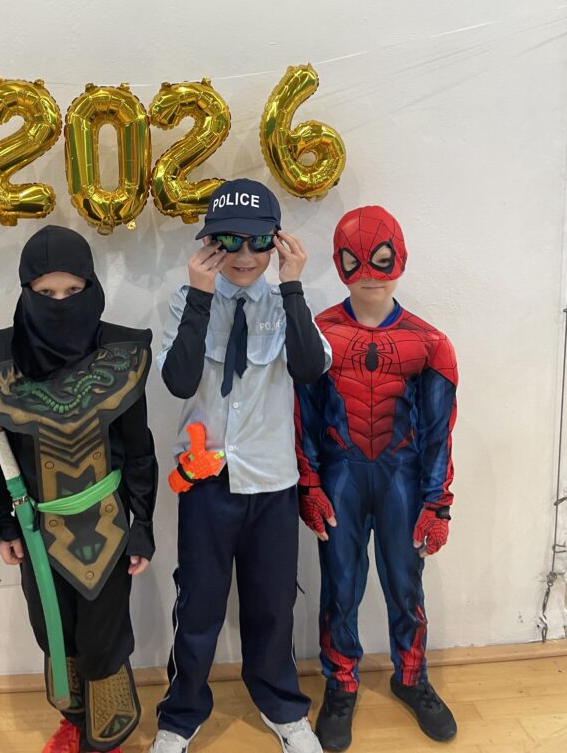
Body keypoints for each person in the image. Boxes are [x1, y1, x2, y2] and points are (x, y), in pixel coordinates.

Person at [148, 179, 332, 753]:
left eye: (257, 242)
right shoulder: (185, 302)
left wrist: (293, 285)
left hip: (272, 483)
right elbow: (179, 381)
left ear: (276, 243)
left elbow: (309, 368)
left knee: (273, 603)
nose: (245, 256)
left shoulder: (285, 304)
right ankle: (180, 717)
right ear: (210, 243)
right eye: (229, 241)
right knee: (197, 603)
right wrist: (201, 296)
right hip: (206, 483)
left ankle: (282, 708)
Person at [0, 225, 158, 753]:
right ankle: (75, 722)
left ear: (91, 288)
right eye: (46, 292)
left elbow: (139, 450)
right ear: (26, 292)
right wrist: (5, 524)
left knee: (104, 636)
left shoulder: (122, 356)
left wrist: (143, 526)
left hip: (107, 526)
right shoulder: (1, 360)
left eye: (72, 291)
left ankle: (106, 738)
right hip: (37, 528)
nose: (60, 303)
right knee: (53, 631)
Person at [295, 206, 458, 752]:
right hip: (340, 476)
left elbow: (439, 430)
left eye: (382, 259)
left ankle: (411, 676)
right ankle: (341, 683)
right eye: (354, 260)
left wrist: (437, 502)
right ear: (339, 263)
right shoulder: (317, 335)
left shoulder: (430, 343)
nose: (369, 272)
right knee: (340, 586)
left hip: (401, 478)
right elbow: (302, 415)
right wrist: (309, 483)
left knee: (405, 584)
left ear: (400, 259)